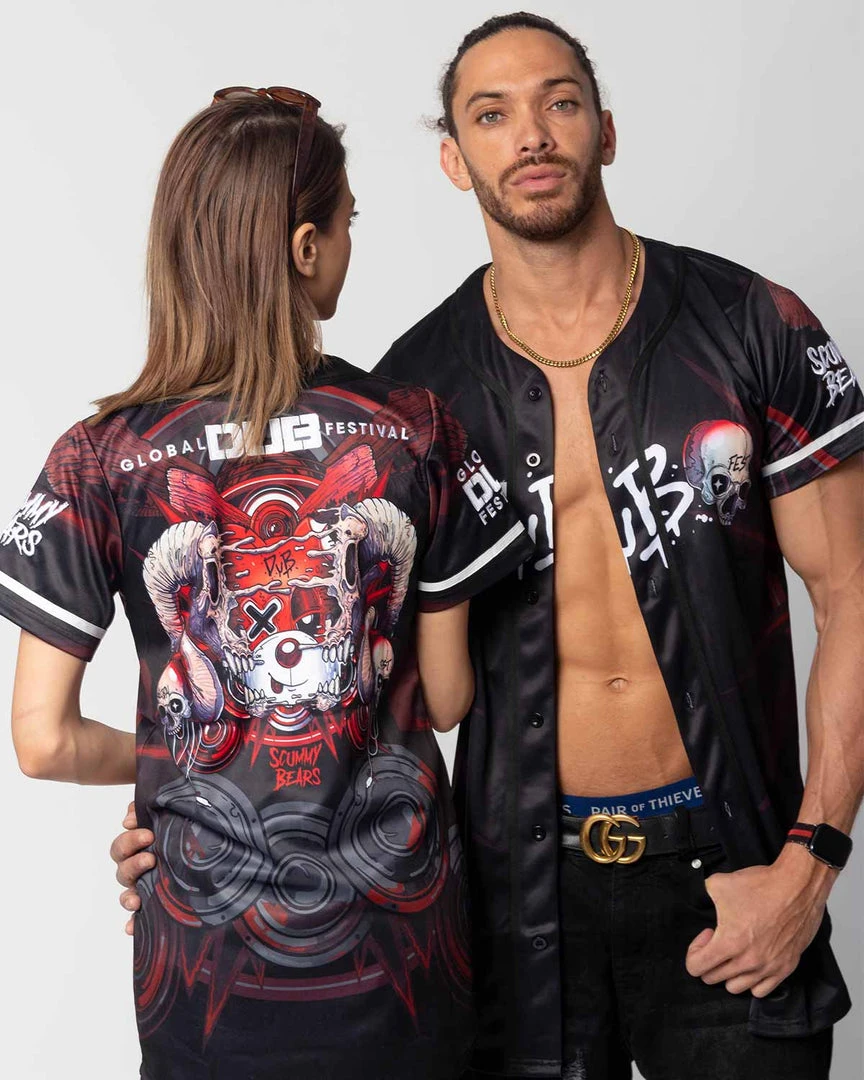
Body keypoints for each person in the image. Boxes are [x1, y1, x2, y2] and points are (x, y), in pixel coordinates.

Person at [110, 13, 864, 1080]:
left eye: (560, 102)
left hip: (731, 870)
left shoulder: (751, 323)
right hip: (511, 897)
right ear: (456, 161)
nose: (533, 134)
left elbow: (852, 594)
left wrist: (810, 862)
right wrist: (189, 813)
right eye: (492, 114)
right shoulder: (414, 398)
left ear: (607, 130)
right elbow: (333, 668)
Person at [1, 87, 532, 1080]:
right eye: (347, 223)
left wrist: (171, 770)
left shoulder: (97, 456)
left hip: (202, 966)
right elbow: (449, 699)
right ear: (304, 247)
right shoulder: (417, 427)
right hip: (405, 952)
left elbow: (43, 740)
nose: (350, 244)